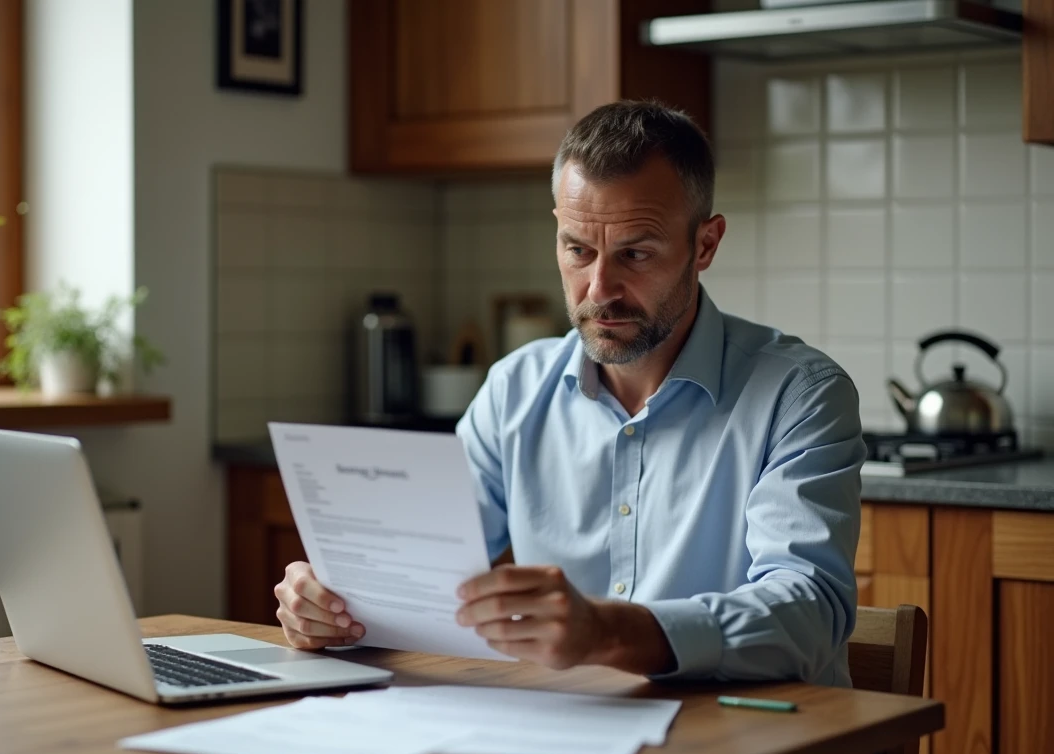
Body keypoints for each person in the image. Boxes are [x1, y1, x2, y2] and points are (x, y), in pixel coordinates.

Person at [274, 100, 865, 689]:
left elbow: (810, 609)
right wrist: (336, 605)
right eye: (578, 250)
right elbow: (415, 567)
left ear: (705, 244)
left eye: (636, 253)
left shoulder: (800, 396)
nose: (599, 289)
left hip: (751, 732)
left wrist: (613, 633)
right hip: (565, 725)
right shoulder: (513, 390)